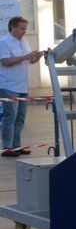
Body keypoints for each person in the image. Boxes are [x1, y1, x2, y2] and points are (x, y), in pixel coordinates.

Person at [0, 17, 45, 157]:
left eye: (25, 29)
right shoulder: (4, 42)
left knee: (20, 117)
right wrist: (26, 57)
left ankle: (16, 146)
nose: (24, 32)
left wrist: (36, 57)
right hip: (8, 84)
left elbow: (28, 61)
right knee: (10, 116)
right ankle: (7, 147)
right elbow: (6, 61)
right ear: (12, 28)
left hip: (23, 85)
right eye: (22, 28)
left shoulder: (23, 41)